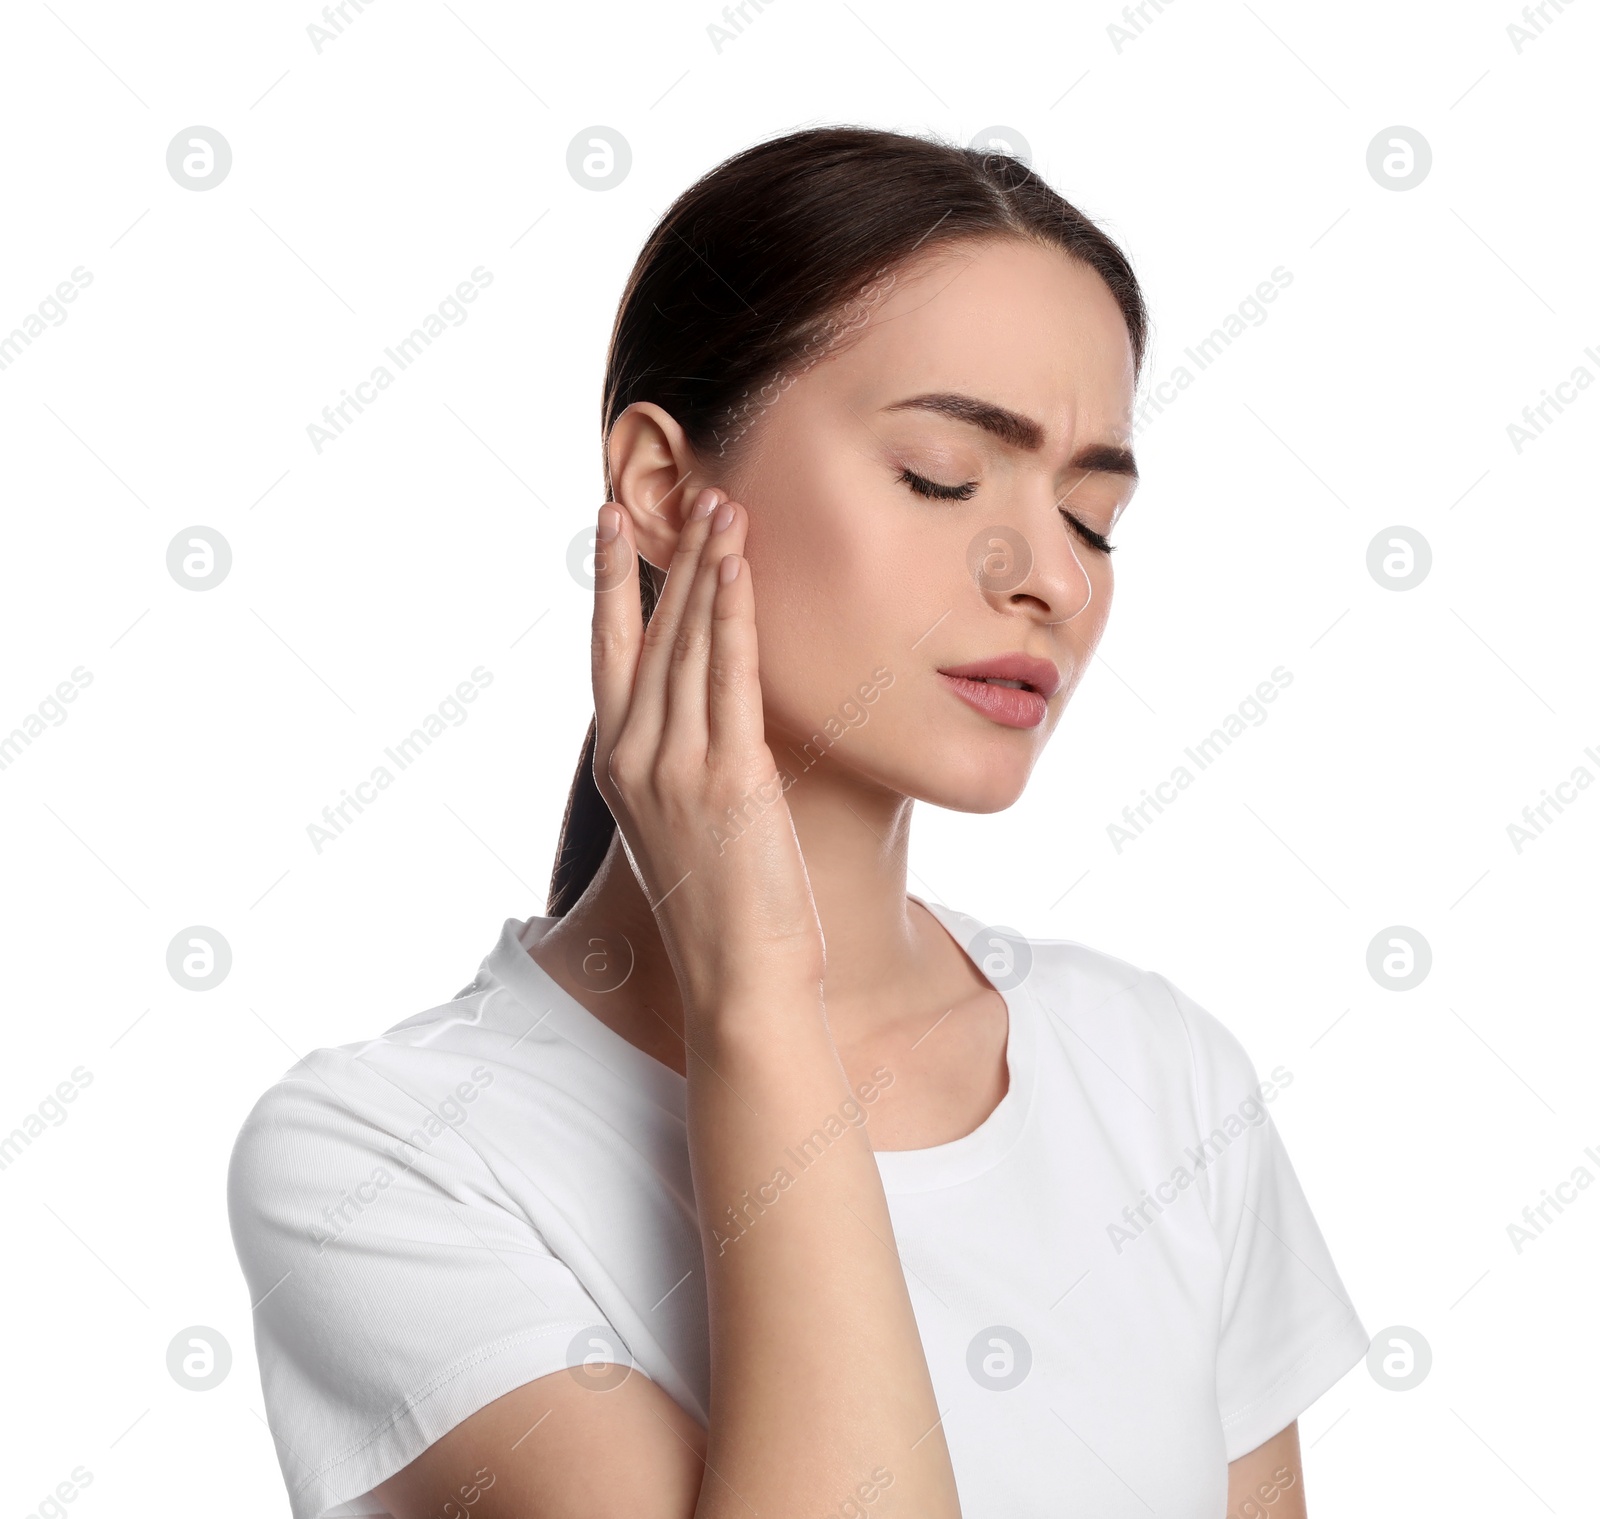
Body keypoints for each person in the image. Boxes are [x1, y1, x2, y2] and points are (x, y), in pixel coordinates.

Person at [228, 124, 1368, 1519]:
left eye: (1093, 515)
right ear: (661, 487)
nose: (1052, 581)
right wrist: (759, 1002)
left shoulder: (1161, 1081)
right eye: (945, 474)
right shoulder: (387, 1161)